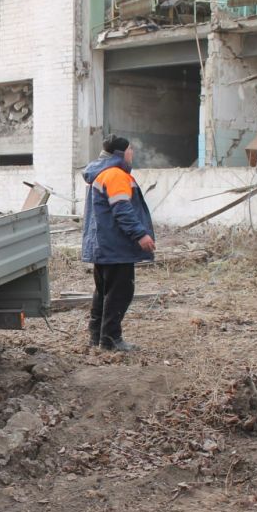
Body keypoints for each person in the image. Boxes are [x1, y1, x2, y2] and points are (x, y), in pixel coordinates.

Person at [81, 135, 156, 352]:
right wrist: (140, 234)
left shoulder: (102, 174)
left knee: (103, 291)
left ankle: (97, 337)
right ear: (121, 154)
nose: (133, 153)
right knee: (120, 292)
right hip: (116, 247)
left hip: (103, 246)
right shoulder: (115, 175)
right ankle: (111, 339)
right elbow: (122, 209)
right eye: (131, 150)